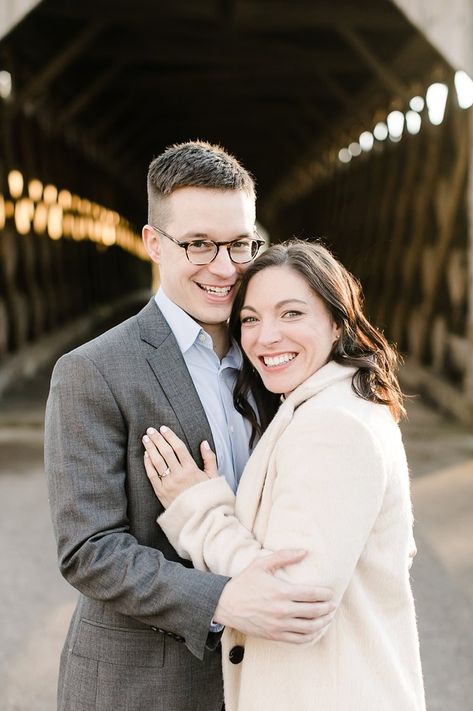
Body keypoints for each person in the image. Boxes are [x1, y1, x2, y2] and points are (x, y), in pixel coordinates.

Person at [44, 143, 335, 711]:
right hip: (142, 685)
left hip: (271, 680)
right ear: (154, 243)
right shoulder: (92, 371)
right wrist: (224, 601)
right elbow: (89, 549)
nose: (225, 267)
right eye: (199, 244)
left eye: (242, 244)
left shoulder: (274, 355)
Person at [142, 240, 427, 711]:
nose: (265, 336)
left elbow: (293, 604)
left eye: (291, 314)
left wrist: (199, 508)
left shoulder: (333, 427)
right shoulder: (335, 406)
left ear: (337, 322)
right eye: (250, 319)